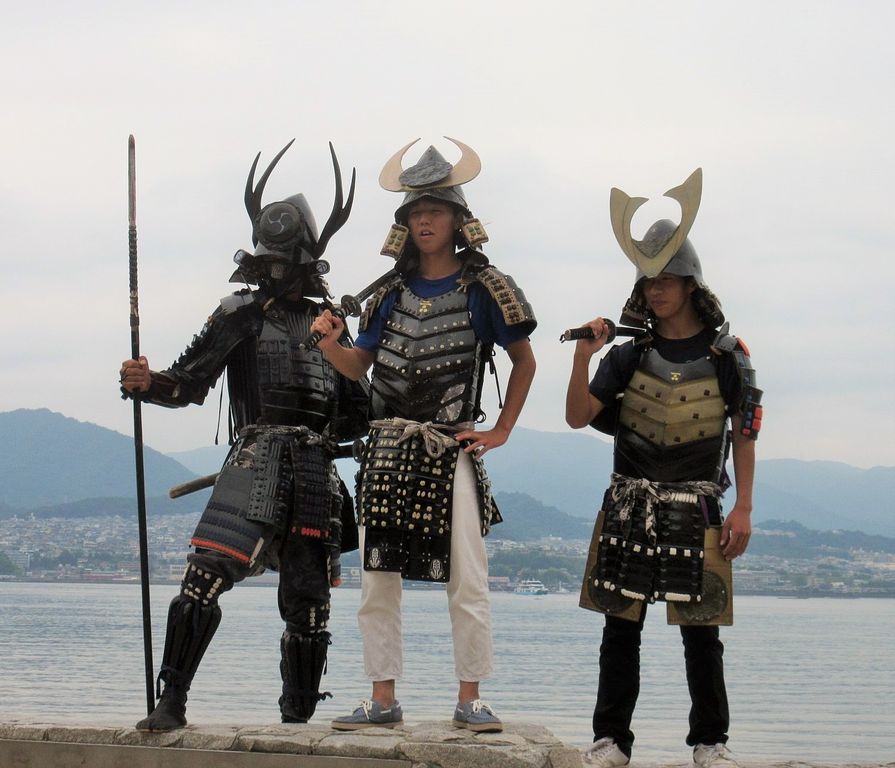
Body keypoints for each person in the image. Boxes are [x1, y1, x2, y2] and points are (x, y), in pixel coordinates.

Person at [119, 140, 369, 731]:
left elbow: (359, 411)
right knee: (204, 576)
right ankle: (171, 702)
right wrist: (147, 382)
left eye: (285, 261)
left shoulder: (333, 324)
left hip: (315, 472)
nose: (277, 270)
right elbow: (189, 381)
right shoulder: (239, 313)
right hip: (255, 460)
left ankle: (297, 722)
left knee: (309, 608)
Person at [309, 138, 537, 733]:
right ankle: (382, 697)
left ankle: (471, 697)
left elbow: (524, 360)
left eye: (435, 211)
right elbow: (358, 366)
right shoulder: (387, 294)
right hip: (386, 448)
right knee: (377, 581)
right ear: (406, 224)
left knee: (469, 576)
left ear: (458, 219)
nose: (425, 221)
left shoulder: (486, 288)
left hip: (449, 445)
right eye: (416, 213)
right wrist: (330, 344)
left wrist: (501, 429)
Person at [564, 169, 762, 767]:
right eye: (649, 279)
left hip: (698, 504)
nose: (657, 289)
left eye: (668, 278)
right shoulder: (628, 355)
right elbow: (577, 416)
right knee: (619, 630)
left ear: (692, 284)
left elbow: (744, 432)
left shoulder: (727, 358)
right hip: (629, 503)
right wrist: (583, 357)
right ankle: (611, 741)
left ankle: (710, 742)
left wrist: (744, 506)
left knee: (703, 633)